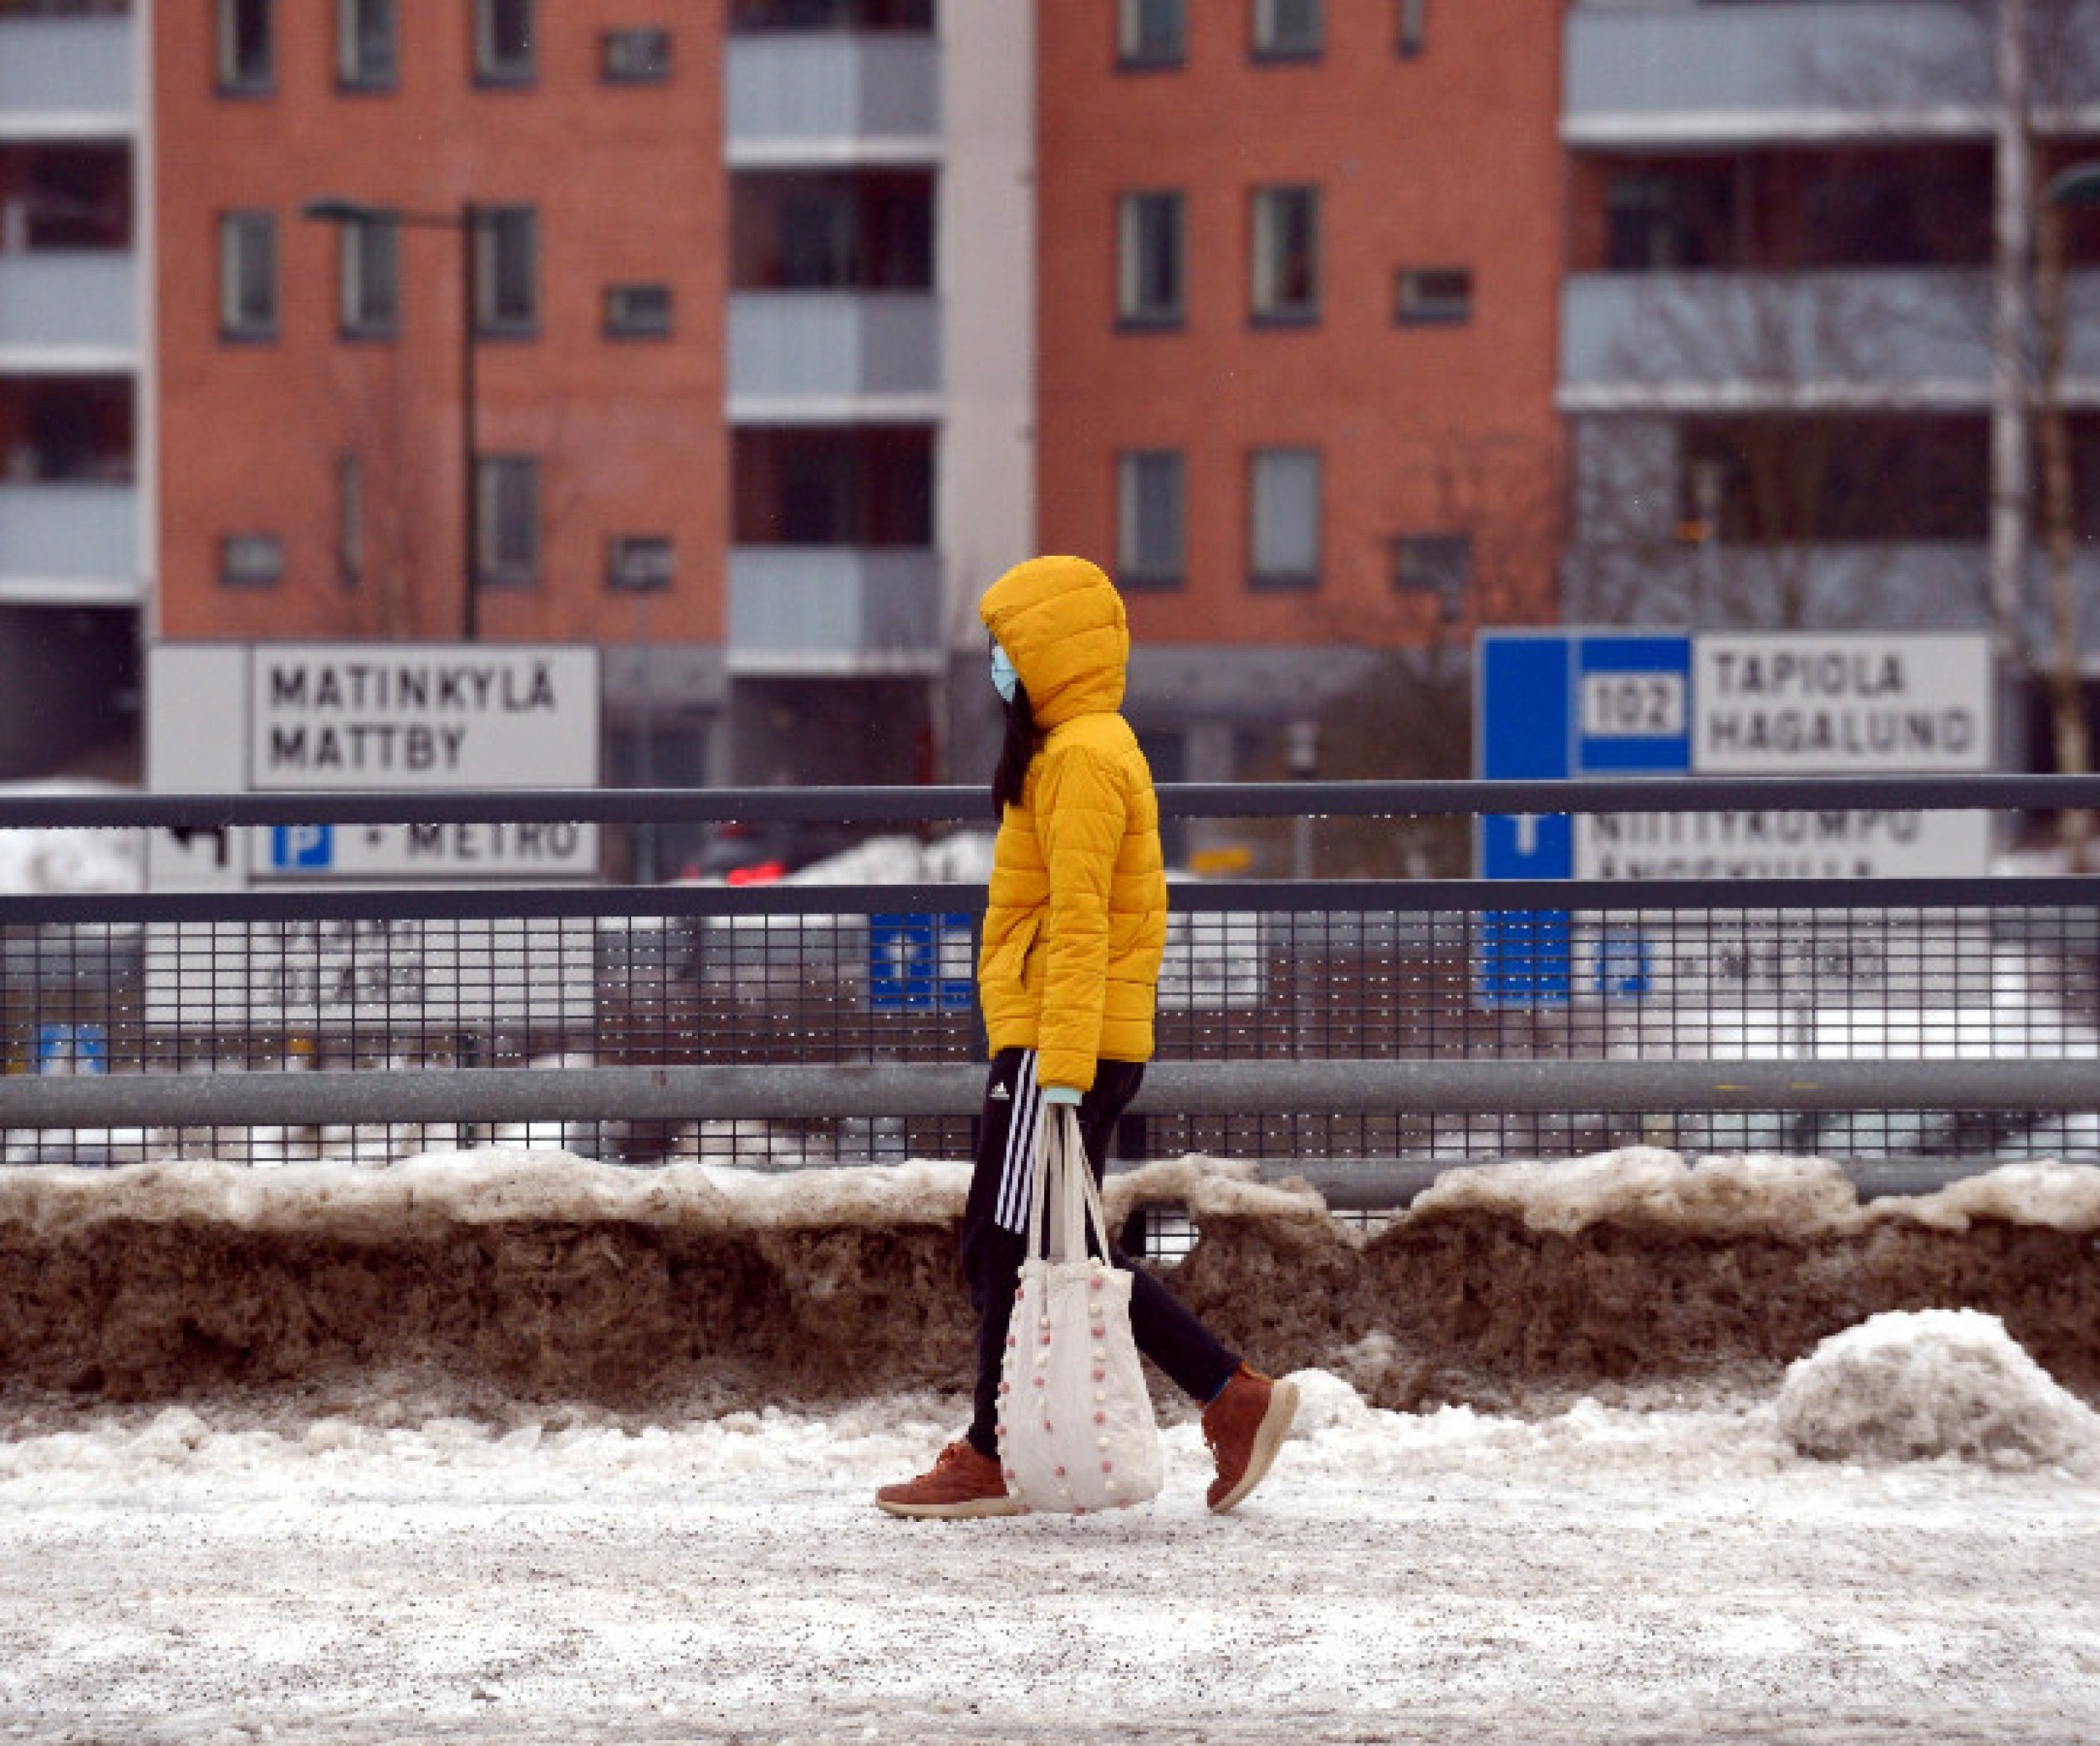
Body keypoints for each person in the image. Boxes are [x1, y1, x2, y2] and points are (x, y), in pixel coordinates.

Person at [877, 554, 1299, 1520]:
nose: (995, 668)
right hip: (1058, 1038)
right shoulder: (1079, 749)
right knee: (1049, 1244)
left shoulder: (1079, 759)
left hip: (1055, 1047)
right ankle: (1232, 1396)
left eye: (1003, 651)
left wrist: (1055, 1070)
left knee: (1001, 1245)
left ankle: (991, 1455)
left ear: (1043, 655)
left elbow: (1080, 923)